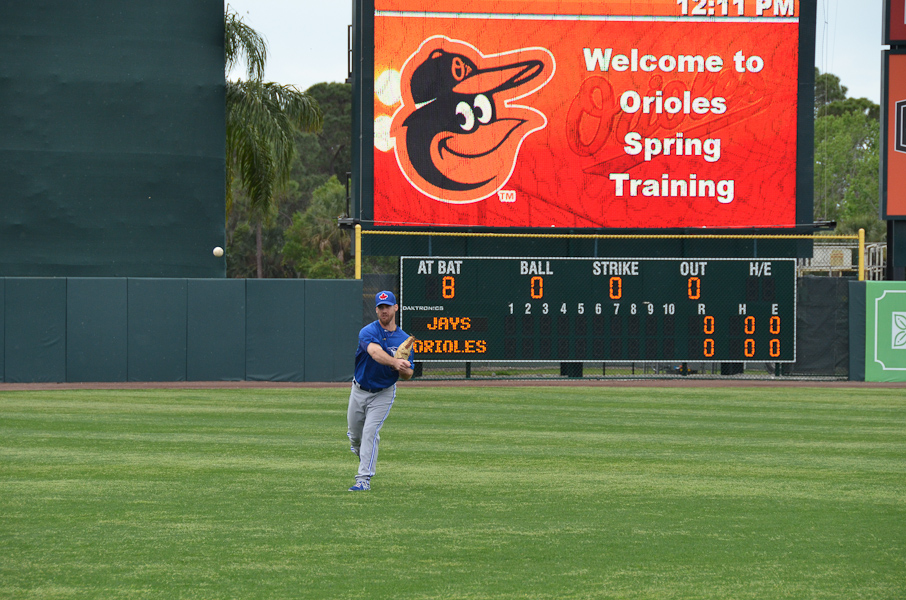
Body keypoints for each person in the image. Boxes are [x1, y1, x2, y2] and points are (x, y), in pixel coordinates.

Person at [346, 291, 414, 491]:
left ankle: (363, 479)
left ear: (396, 308)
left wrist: (403, 369)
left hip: (383, 392)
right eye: (380, 307)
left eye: (388, 306)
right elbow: (375, 353)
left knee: (370, 432)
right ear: (376, 309)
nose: (384, 310)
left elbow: (409, 373)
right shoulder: (368, 331)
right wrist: (395, 362)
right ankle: (364, 454)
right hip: (359, 389)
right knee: (355, 437)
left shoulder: (404, 339)